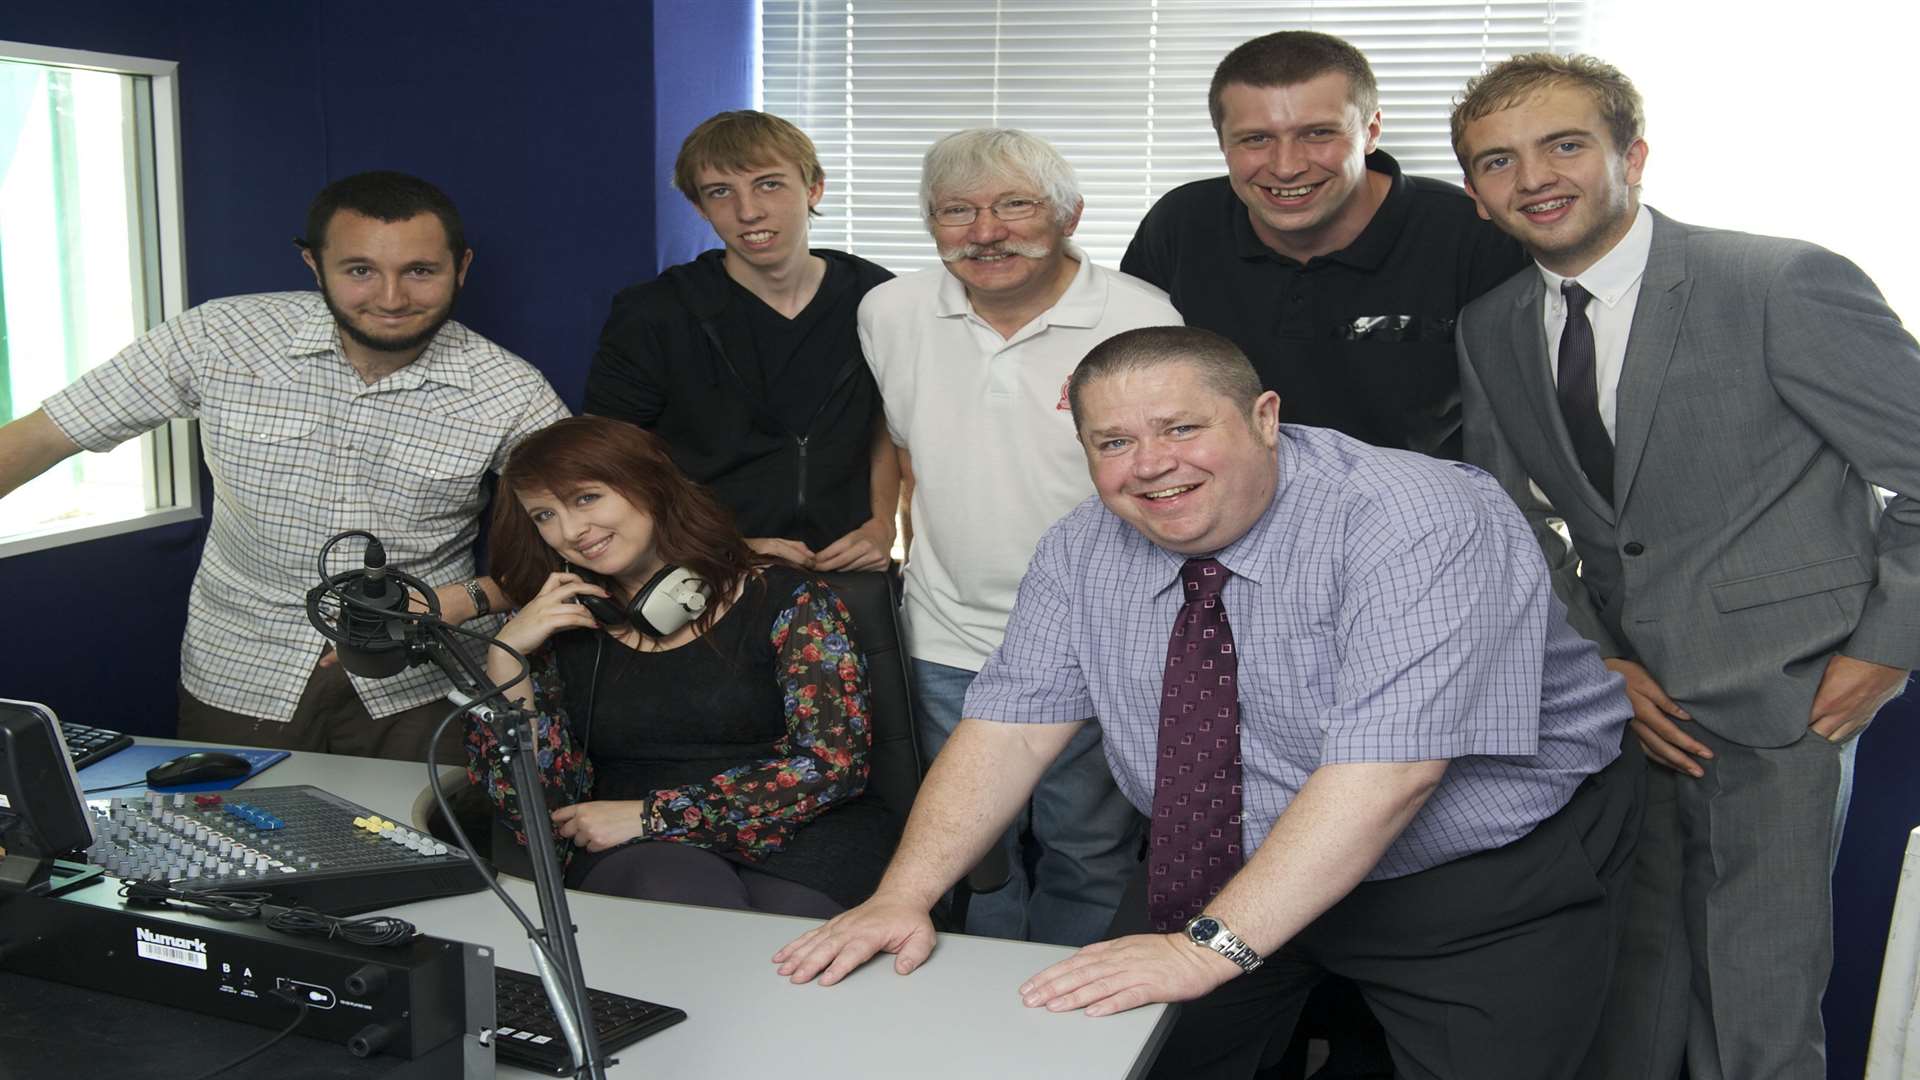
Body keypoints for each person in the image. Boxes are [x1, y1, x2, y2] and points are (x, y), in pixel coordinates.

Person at [775, 327, 1642, 1079]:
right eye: (1112, 442)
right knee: (1116, 1057)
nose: (1150, 465)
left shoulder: (1417, 516)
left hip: (1472, 869)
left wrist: (1208, 950)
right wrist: (904, 895)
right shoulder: (1081, 549)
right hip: (1222, 846)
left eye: (1182, 427)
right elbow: (1007, 730)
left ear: (1265, 418)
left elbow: (1392, 774)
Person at [1451, 54, 1920, 1080]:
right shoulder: (1488, 330)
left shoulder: (1777, 281)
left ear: (1635, 155)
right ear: (1479, 199)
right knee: (1631, 995)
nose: (1534, 177)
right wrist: (1592, 664)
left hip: (1787, 696)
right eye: (1498, 162)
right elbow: (1508, 521)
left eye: (1565, 145)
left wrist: (1888, 649)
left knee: (1758, 1005)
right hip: (1625, 712)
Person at [0, 171, 567, 761]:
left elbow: (591, 541)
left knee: (430, 847)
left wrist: (464, 599)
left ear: (462, 267)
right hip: (243, 669)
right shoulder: (220, 338)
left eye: (420, 271)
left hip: (421, 678)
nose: (392, 298)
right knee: (229, 847)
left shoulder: (510, 390)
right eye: (360, 270)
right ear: (313, 265)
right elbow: (45, 435)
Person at [856, 128, 1181, 945]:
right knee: (971, 856)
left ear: (1069, 214)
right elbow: (901, 443)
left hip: (1096, 636)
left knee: (1088, 849)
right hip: (945, 634)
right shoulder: (890, 311)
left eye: (1014, 205)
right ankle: (980, 1027)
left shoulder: (1139, 314)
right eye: (957, 211)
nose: (985, 230)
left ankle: (1072, 1038)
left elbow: (1171, 477)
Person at [467, 416, 898, 915]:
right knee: (684, 897)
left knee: (793, 926)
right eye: (544, 515)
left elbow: (832, 765)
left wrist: (654, 815)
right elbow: (531, 812)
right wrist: (506, 660)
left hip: (800, 830)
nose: (571, 531)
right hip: (636, 847)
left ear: (649, 484)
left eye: (586, 498)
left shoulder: (784, 597)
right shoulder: (552, 626)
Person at [1121, 31, 1526, 459]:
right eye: (1256, 138)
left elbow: (1520, 418)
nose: (1287, 166)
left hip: (1415, 502)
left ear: (1370, 132)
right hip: (1228, 496)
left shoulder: (1472, 232)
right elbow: (1131, 380)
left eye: (1317, 134)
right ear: (1223, 142)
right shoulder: (1181, 223)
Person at [585, 111, 897, 571]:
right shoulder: (656, 312)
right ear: (699, 207)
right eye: (720, 192)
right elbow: (604, 459)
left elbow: (887, 427)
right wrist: (711, 543)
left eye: (769, 184)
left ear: (814, 188)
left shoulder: (876, 296)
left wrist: (882, 526)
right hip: (699, 571)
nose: (748, 211)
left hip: (846, 568)